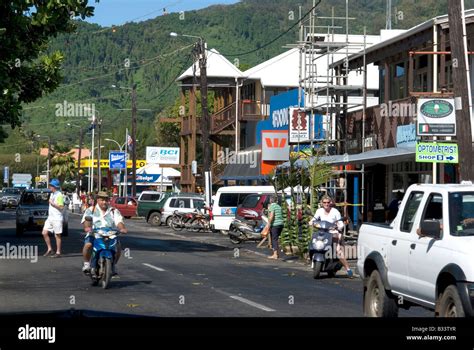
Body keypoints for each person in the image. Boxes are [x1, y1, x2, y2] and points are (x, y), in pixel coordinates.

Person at [81, 191, 127, 275]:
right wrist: (87, 227)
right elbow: (86, 220)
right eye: (102, 200)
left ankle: (113, 265)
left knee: (118, 247)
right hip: (94, 233)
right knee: (88, 245)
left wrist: (122, 228)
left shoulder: (113, 211)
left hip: (110, 234)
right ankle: (86, 264)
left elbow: (119, 221)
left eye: (106, 200)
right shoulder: (91, 210)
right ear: (97, 200)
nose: (104, 202)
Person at [309, 195, 353, 278]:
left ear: (331, 203)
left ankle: (348, 269)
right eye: (324, 202)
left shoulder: (335, 211)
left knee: (337, 249)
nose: (326, 204)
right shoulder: (319, 211)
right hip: (322, 232)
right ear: (322, 203)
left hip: (334, 233)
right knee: (314, 243)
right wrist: (311, 222)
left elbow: (341, 224)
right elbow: (314, 219)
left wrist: (338, 226)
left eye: (328, 202)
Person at [41, 179, 65, 258]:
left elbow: (61, 207)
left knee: (57, 235)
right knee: (44, 232)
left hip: (57, 218)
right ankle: (50, 249)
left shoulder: (59, 195)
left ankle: (58, 252)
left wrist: (53, 204)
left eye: (50, 185)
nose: (49, 186)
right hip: (50, 218)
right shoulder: (52, 194)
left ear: (54, 187)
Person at [266, 195, 284, 259]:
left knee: (274, 239)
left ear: (271, 200)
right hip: (281, 224)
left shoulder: (272, 206)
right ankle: (276, 253)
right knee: (276, 238)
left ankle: (275, 254)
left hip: (275, 225)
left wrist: (268, 223)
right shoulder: (279, 206)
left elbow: (271, 216)